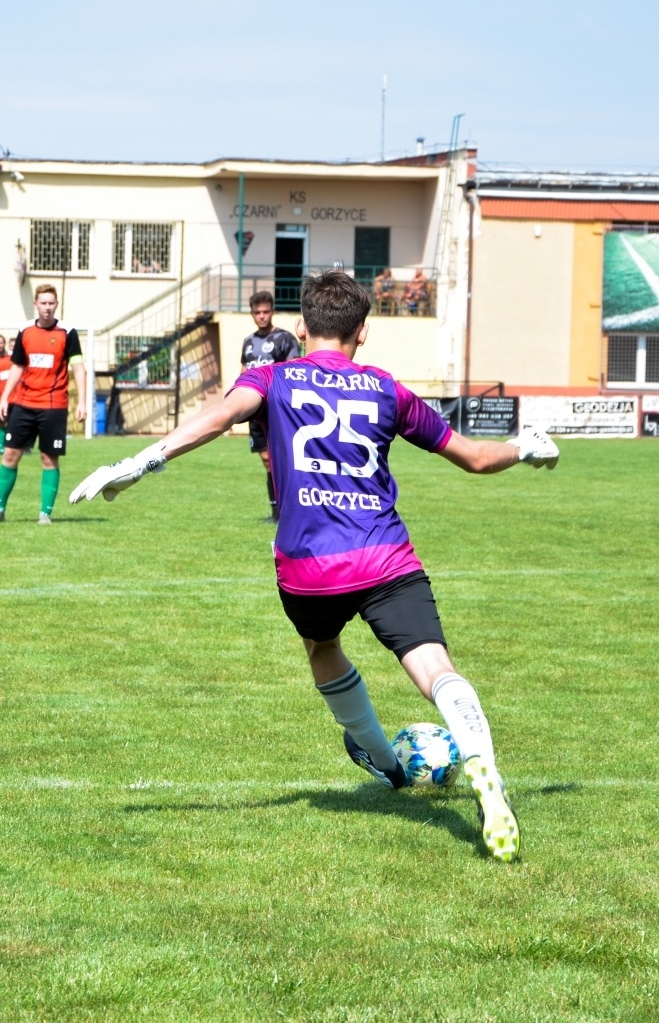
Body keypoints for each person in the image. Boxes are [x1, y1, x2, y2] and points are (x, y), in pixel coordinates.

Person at [68, 271, 560, 862]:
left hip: (308, 568)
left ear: (300, 328)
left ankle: (381, 759)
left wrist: (143, 459)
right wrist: (526, 447)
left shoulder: (272, 376)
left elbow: (220, 417)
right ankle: (484, 767)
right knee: (435, 668)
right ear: (364, 332)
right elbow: (477, 459)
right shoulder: (387, 389)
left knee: (323, 647)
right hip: (384, 555)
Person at [0, 286, 87, 525]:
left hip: (54, 406)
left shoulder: (68, 332)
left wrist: (84, 403)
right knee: (9, 455)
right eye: (43, 303)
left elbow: (78, 367)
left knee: (49, 459)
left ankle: (45, 514)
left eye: (51, 303)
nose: (47, 307)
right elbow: (16, 366)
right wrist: (5, 397)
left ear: (56, 305)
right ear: (36, 304)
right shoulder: (25, 331)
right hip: (24, 404)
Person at [240, 290, 302, 522]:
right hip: (256, 411)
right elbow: (244, 373)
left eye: (266, 312)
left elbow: (294, 371)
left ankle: (291, 511)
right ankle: (276, 513)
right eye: (257, 312)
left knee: (284, 460)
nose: (262, 316)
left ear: (272, 312)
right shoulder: (248, 342)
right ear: (252, 314)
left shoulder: (285, 339)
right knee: (267, 460)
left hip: (277, 409)